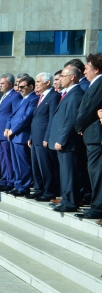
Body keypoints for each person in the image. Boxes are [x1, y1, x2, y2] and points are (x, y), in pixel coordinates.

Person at [49, 67, 85, 213]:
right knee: (65, 173)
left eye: (63, 76)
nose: (60, 79)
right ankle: (65, 199)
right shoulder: (68, 93)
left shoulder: (76, 94)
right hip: (64, 142)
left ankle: (71, 202)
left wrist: (61, 140)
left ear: (72, 77)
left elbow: (70, 120)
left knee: (69, 173)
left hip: (68, 143)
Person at [74, 54, 102, 219]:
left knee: (96, 172)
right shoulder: (94, 84)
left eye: (87, 68)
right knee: (93, 171)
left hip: (95, 135)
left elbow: (89, 109)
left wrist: (78, 125)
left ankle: (97, 207)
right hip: (91, 135)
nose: (84, 72)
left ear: (96, 69)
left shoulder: (99, 83)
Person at [28, 72, 60, 201]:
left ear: (48, 82)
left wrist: (47, 137)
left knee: (45, 166)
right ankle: (38, 188)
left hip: (43, 138)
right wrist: (30, 136)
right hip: (35, 137)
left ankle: (49, 191)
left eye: (39, 81)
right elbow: (35, 118)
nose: (36, 84)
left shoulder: (54, 96)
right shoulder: (40, 97)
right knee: (36, 165)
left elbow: (52, 119)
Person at [4, 76, 38, 196]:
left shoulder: (34, 99)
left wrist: (13, 129)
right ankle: (18, 184)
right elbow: (11, 116)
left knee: (23, 163)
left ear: (31, 87)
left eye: (22, 87)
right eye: (18, 86)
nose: (19, 89)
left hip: (21, 135)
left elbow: (26, 118)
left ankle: (24, 186)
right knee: (16, 163)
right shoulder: (21, 100)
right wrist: (7, 127)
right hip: (13, 136)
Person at [0, 74, 22, 192]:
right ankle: (4, 179)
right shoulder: (2, 97)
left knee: (8, 158)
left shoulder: (15, 96)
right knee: (2, 158)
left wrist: (9, 129)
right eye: (0, 83)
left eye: (3, 83)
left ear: (10, 83)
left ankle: (11, 180)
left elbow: (15, 115)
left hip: (6, 132)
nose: (0, 85)